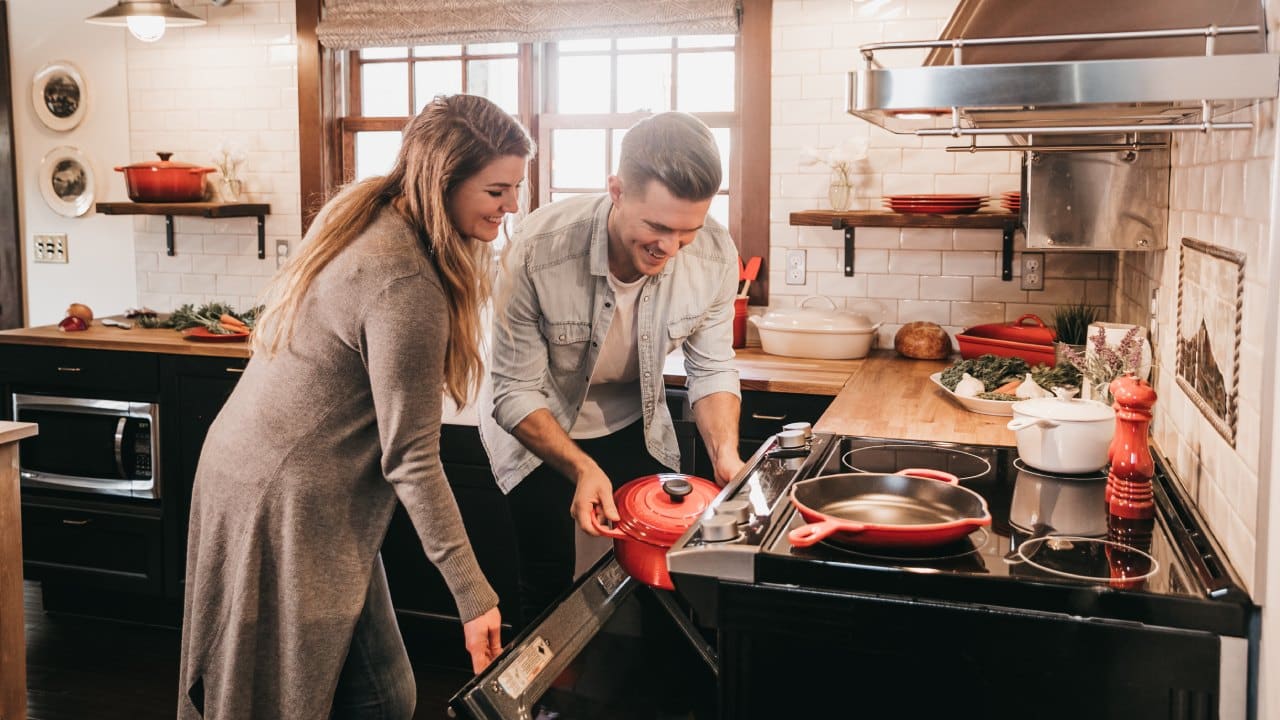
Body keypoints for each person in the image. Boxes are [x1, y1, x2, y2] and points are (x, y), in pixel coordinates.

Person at [178, 94, 534, 720]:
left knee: (374, 689)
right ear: (441, 180)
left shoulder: (367, 212)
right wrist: (475, 597)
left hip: (251, 471)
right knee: (359, 696)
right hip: (288, 496)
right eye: (497, 190)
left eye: (515, 189)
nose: (510, 207)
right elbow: (413, 460)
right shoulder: (405, 281)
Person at [479, 111, 745, 628]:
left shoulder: (714, 254)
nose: (669, 248)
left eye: (686, 232)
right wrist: (581, 468)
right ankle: (547, 705)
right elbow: (513, 390)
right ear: (617, 190)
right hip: (540, 426)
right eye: (657, 227)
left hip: (635, 422)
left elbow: (711, 367)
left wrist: (726, 454)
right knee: (550, 583)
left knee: (658, 581)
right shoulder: (537, 250)